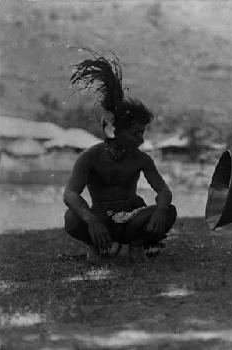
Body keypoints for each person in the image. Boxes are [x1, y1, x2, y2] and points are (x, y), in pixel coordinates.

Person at [64, 51, 177, 261]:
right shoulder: (89, 158)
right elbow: (70, 194)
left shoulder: (141, 159)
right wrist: (91, 220)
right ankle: (104, 245)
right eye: (135, 134)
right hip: (101, 219)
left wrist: (161, 210)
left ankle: (130, 245)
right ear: (115, 131)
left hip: (133, 219)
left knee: (169, 211)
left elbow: (163, 190)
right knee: (72, 218)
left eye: (142, 133)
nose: (141, 140)